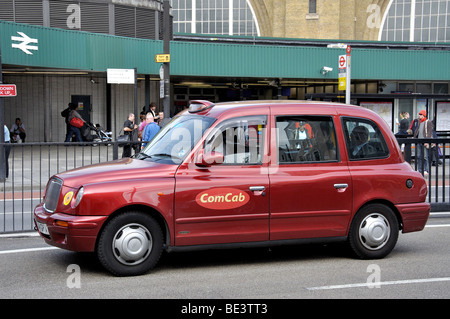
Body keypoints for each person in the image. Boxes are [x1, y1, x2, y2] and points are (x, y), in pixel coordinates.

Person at [414, 109, 433, 176]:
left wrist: (427, 141)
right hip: (419, 141)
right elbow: (417, 130)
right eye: (419, 114)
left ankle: (426, 170)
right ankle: (420, 169)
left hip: (424, 141)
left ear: (424, 115)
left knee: (425, 156)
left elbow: (429, 132)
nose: (419, 115)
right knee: (419, 156)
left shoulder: (428, 122)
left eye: (421, 114)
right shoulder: (419, 122)